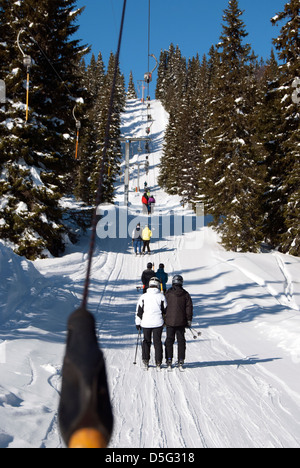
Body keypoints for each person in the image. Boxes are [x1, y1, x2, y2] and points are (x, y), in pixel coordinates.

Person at [136, 277, 167, 369]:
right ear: (157, 285)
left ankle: (145, 360)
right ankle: (158, 361)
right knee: (157, 342)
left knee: (146, 341)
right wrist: (165, 320)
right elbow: (165, 310)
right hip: (158, 323)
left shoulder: (143, 297)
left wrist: (138, 323)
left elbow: (139, 311)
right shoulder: (161, 296)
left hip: (146, 323)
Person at [164, 275, 193, 369]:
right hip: (181, 321)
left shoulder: (168, 293)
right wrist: (189, 320)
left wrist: (164, 317)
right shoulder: (185, 294)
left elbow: (163, 306)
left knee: (169, 340)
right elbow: (189, 308)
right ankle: (181, 359)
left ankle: (169, 358)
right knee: (181, 340)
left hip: (169, 321)